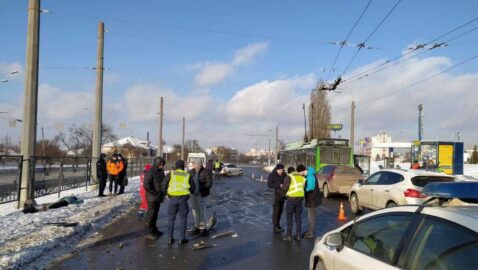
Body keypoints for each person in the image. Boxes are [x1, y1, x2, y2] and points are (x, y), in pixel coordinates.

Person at [162, 160, 195, 245]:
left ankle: (170, 238)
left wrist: (166, 194)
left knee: (171, 218)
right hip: (183, 199)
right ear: (183, 166)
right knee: (183, 219)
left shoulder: (171, 174)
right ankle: (182, 239)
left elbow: (164, 185)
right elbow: (193, 188)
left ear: (176, 166)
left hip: (172, 198)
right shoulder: (187, 175)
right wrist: (189, 194)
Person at [281, 165, 307, 241]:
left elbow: (285, 188)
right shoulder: (302, 177)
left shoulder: (289, 176)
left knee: (289, 217)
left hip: (291, 199)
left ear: (289, 172)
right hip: (300, 199)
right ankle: (298, 235)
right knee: (298, 217)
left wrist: (283, 196)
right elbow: (304, 187)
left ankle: (289, 235)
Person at [143, 157, 166, 240]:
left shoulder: (161, 172)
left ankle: (154, 229)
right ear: (157, 164)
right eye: (161, 165)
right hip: (152, 197)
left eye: (163, 165)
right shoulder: (150, 172)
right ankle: (148, 232)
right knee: (151, 214)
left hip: (158, 196)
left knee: (155, 214)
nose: (162, 166)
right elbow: (146, 185)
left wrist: (163, 193)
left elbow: (163, 182)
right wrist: (155, 192)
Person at [188, 162, 213, 237]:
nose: (195, 165)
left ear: (200, 165)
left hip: (201, 195)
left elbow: (209, 183)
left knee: (202, 211)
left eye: (196, 164)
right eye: (194, 164)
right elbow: (187, 181)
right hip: (193, 195)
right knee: (195, 211)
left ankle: (205, 228)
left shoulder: (206, 172)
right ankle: (197, 227)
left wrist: (200, 189)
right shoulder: (191, 172)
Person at [267, 163, 286, 233]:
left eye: (282, 170)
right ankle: (275, 226)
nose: (281, 171)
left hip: (283, 196)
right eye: (280, 170)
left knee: (280, 211)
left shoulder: (284, 174)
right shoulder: (272, 175)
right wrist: (279, 185)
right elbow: (269, 184)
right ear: (277, 169)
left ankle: (278, 224)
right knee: (276, 211)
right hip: (275, 196)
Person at [303, 166, 321, 239]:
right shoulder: (311, 175)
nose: (303, 173)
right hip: (312, 199)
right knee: (311, 216)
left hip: (312, 199)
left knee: (311, 217)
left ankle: (310, 233)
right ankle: (310, 231)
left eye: (304, 172)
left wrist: (304, 189)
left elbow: (310, 187)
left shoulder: (310, 176)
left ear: (307, 170)